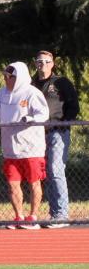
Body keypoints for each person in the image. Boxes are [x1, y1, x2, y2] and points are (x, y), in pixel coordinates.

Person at [0, 61, 50, 228]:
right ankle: (19, 217)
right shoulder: (1, 94)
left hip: (31, 149)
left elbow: (43, 113)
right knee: (13, 185)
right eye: (4, 76)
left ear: (18, 77)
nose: (6, 79)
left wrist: (32, 119)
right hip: (10, 149)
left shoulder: (32, 93)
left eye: (9, 76)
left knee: (34, 182)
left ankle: (33, 217)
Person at [32, 51, 79, 227]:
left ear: (53, 64)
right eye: (39, 61)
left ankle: (62, 214)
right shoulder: (31, 83)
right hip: (37, 134)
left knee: (55, 168)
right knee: (46, 172)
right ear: (35, 63)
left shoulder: (61, 82)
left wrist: (64, 123)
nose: (42, 64)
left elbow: (73, 105)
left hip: (57, 132)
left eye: (46, 61)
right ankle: (54, 214)